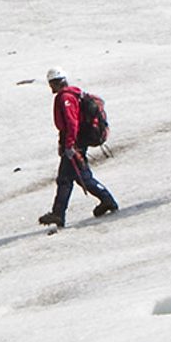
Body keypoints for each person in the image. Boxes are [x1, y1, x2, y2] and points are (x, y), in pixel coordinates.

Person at [39, 68, 119, 227]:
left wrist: (69, 145)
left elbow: (71, 122)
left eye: (51, 83)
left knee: (70, 179)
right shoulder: (73, 93)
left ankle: (59, 214)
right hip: (76, 142)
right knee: (77, 177)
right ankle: (105, 200)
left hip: (75, 144)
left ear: (57, 82)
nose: (50, 87)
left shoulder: (66, 98)